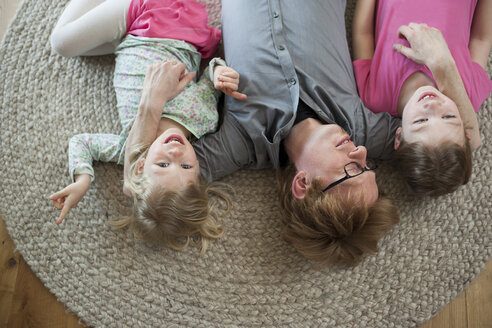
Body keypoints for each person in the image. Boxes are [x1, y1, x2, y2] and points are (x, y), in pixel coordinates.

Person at [187, 0, 402, 266]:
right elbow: (440, 138)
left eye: (352, 170)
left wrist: (212, 70)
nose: (361, 151)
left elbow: (156, 173)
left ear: (303, 184)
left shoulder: (242, 141)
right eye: (367, 166)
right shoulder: (359, 125)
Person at [48, 0, 246, 253]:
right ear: (198, 169)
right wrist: (220, 73)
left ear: (140, 166)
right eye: (186, 166)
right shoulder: (203, 118)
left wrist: (83, 178)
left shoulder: (124, 149)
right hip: (170, 22)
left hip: (130, 37)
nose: (176, 154)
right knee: (61, 42)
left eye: (163, 165)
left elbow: (81, 142)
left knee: (66, 45)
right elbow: (211, 75)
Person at [352, 0, 492, 196]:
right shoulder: (469, 94)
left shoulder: (375, 97)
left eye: (421, 121)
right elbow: (481, 39)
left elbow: (363, 33)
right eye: (448, 117)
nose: (432, 106)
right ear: (465, 127)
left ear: (398, 137)